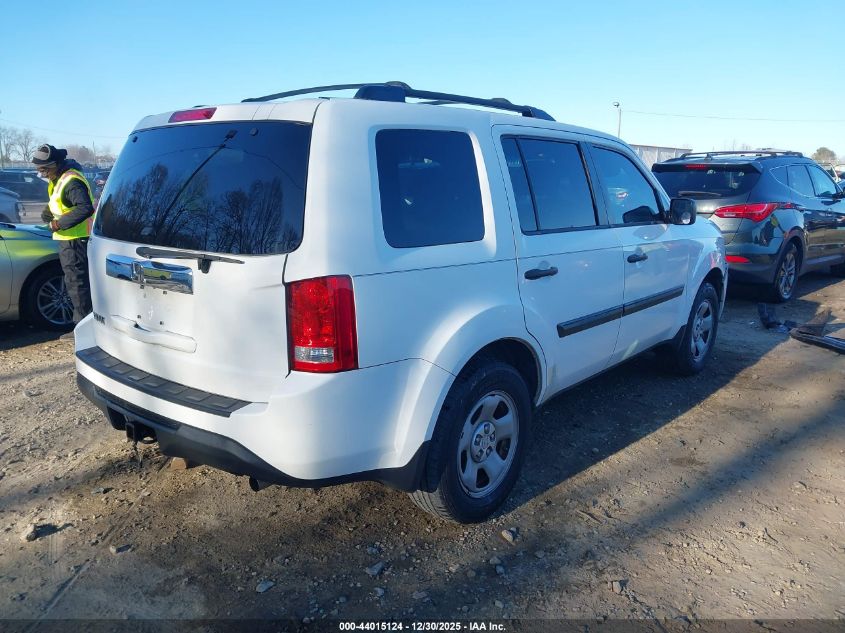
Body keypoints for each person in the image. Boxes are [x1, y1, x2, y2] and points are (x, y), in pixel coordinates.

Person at [32, 144, 95, 333]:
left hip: (76, 241)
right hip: (69, 240)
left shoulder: (71, 181)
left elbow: (85, 207)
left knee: (78, 286)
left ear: (55, 165)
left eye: (44, 169)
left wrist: (58, 224)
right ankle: (83, 327)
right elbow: (59, 203)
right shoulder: (58, 179)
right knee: (74, 284)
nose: (42, 174)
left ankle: (84, 331)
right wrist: (48, 213)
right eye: (39, 170)